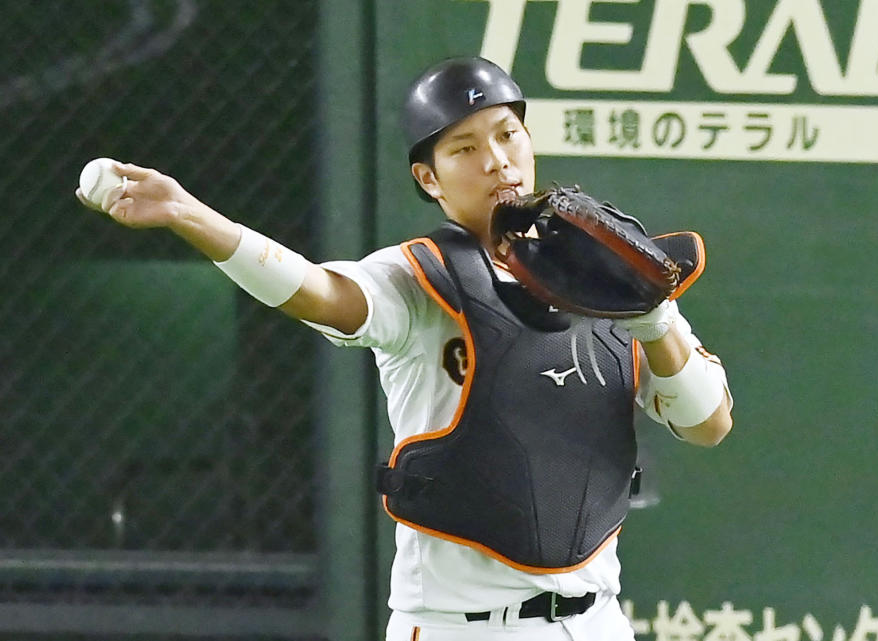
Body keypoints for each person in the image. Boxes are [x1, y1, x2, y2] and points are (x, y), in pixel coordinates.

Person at [76, 57, 732, 641]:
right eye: (466, 147)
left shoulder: (606, 272)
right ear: (429, 177)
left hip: (598, 620)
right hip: (459, 626)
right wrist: (190, 214)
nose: (497, 159)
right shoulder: (419, 279)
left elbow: (709, 423)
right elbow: (317, 291)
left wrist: (654, 315)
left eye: (508, 135)